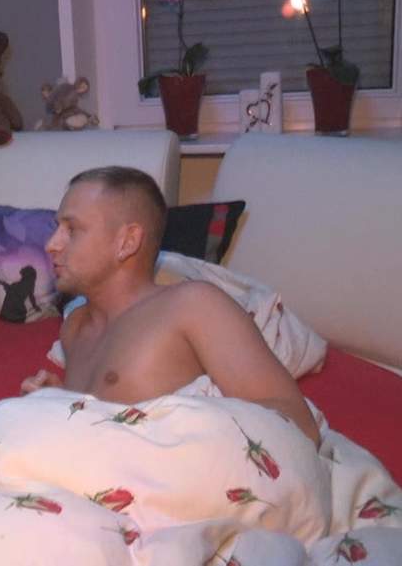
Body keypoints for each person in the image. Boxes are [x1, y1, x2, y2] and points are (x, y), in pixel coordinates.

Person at [21, 166, 320, 446]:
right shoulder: (75, 327)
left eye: (72, 230)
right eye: (57, 228)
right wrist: (62, 401)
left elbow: (298, 423)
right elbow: (96, 427)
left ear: (127, 242)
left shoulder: (192, 305)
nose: (51, 244)